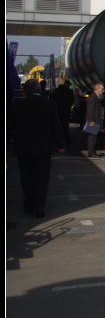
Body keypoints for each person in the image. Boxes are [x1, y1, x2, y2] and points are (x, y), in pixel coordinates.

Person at [11, 79, 66, 217]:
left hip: (23, 148)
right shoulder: (49, 104)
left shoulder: (18, 105)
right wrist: (60, 144)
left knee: (26, 177)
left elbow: (11, 126)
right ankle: (39, 205)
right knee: (42, 177)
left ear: (24, 90)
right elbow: (55, 125)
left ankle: (28, 204)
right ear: (39, 90)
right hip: (43, 148)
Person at [49, 80, 75, 146]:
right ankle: (66, 139)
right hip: (66, 111)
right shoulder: (69, 92)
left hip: (57, 111)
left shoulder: (56, 92)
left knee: (57, 126)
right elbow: (72, 100)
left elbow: (51, 99)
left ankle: (56, 139)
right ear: (68, 84)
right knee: (65, 126)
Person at [85, 83, 105, 157]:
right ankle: (91, 152)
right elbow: (91, 110)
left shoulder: (96, 97)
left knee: (94, 136)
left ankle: (93, 151)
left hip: (95, 120)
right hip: (93, 120)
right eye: (102, 89)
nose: (103, 90)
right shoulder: (93, 97)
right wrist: (92, 120)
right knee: (92, 137)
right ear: (97, 89)